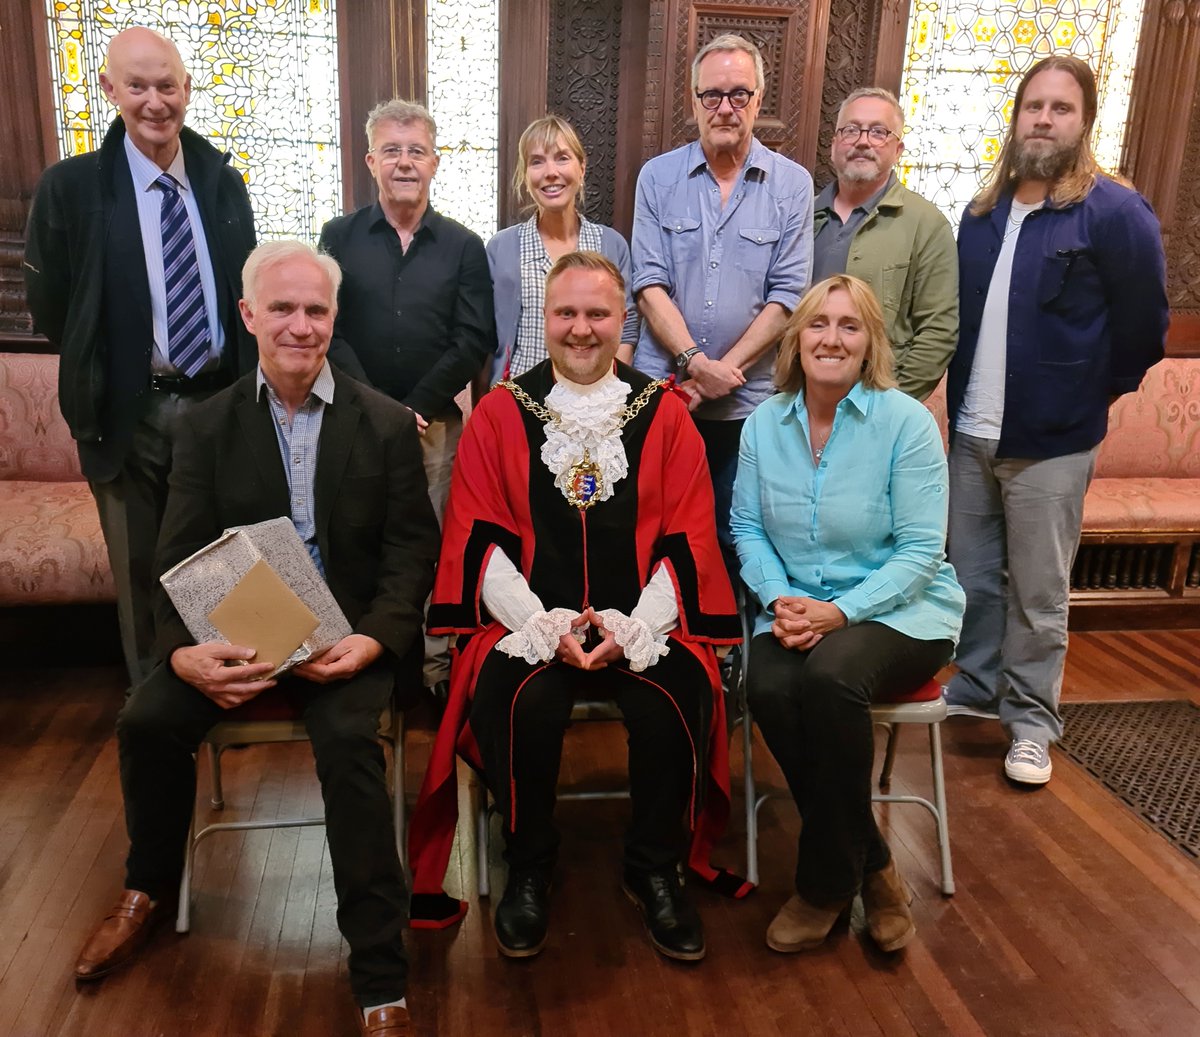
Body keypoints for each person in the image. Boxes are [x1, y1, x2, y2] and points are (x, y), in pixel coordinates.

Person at [73, 241, 439, 1037]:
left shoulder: (382, 423)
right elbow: (174, 557)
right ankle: (147, 887)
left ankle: (380, 973)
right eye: (282, 309)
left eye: (315, 310)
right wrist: (182, 653)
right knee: (146, 718)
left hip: (345, 644)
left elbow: (414, 552)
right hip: (233, 636)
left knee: (350, 749)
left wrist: (376, 640)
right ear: (248, 316)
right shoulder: (205, 427)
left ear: (333, 318)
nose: (300, 326)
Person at [407, 252, 744, 962]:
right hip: (531, 624)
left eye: (597, 314)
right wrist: (542, 625)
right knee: (519, 700)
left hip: (643, 624)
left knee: (676, 698)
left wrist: (635, 629)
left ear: (622, 319)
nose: (582, 329)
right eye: (566, 313)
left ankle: (655, 866)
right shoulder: (500, 413)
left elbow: (688, 538)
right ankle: (528, 860)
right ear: (543, 320)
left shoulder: (666, 414)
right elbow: (479, 538)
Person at [945, 56, 1168, 785]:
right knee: (973, 579)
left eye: (1060, 108)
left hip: (1053, 441)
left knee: (1039, 593)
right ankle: (975, 688)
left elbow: (1143, 330)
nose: (1043, 119)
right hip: (972, 431)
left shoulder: (1115, 213)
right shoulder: (979, 218)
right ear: (1015, 119)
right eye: (1032, 106)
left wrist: (1092, 400)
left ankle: (1032, 722)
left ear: (1085, 121)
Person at [731, 274, 964, 955]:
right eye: (818, 323)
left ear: (870, 345)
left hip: (904, 612)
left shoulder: (907, 423)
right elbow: (746, 527)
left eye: (849, 325)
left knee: (829, 677)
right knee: (767, 681)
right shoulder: (762, 425)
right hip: (796, 604)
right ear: (796, 338)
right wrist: (780, 599)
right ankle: (877, 868)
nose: (831, 338)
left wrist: (839, 611)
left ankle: (826, 884)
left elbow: (923, 551)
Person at [23, 27, 257, 689]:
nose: (155, 101)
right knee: (140, 573)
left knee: (220, 565)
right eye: (137, 86)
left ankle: (223, 698)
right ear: (109, 90)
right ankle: (157, 706)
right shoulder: (71, 188)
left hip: (217, 405)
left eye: (166, 85)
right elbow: (52, 307)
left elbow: (246, 293)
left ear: (187, 89)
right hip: (127, 416)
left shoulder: (222, 182)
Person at [319, 98, 496, 692]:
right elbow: (331, 329)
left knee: (432, 542)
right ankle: (371, 664)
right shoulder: (338, 236)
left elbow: (474, 337)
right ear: (371, 160)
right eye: (391, 150)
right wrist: (379, 407)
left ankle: (433, 669)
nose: (404, 162)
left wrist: (413, 406)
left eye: (415, 151)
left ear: (435, 163)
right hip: (353, 419)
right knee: (361, 536)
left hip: (436, 424)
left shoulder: (464, 246)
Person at [630, 32, 812, 566]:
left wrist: (720, 372)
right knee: (658, 529)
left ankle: (726, 648)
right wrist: (693, 362)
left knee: (739, 537)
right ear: (694, 101)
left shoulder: (792, 185)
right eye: (712, 95)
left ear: (758, 100)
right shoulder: (658, 178)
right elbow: (648, 282)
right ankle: (661, 646)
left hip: (749, 403)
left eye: (738, 94)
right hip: (665, 392)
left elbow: (788, 295)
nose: (725, 107)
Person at [811, 87, 957, 400]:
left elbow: (938, 330)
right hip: (800, 403)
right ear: (834, 144)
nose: (863, 141)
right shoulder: (800, 217)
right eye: (851, 130)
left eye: (879, 132)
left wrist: (892, 406)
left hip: (880, 407)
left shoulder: (926, 224)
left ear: (898, 149)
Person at [486, 114, 638, 382]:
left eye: (562, 158)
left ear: (581, 167)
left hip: (593, 401)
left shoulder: (611, 245)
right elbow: (485, 341)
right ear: (525, 174)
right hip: (519, 398)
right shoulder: (502, 248)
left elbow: (626, 329)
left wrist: (608, 389)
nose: (550, 172)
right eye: (537, 161)